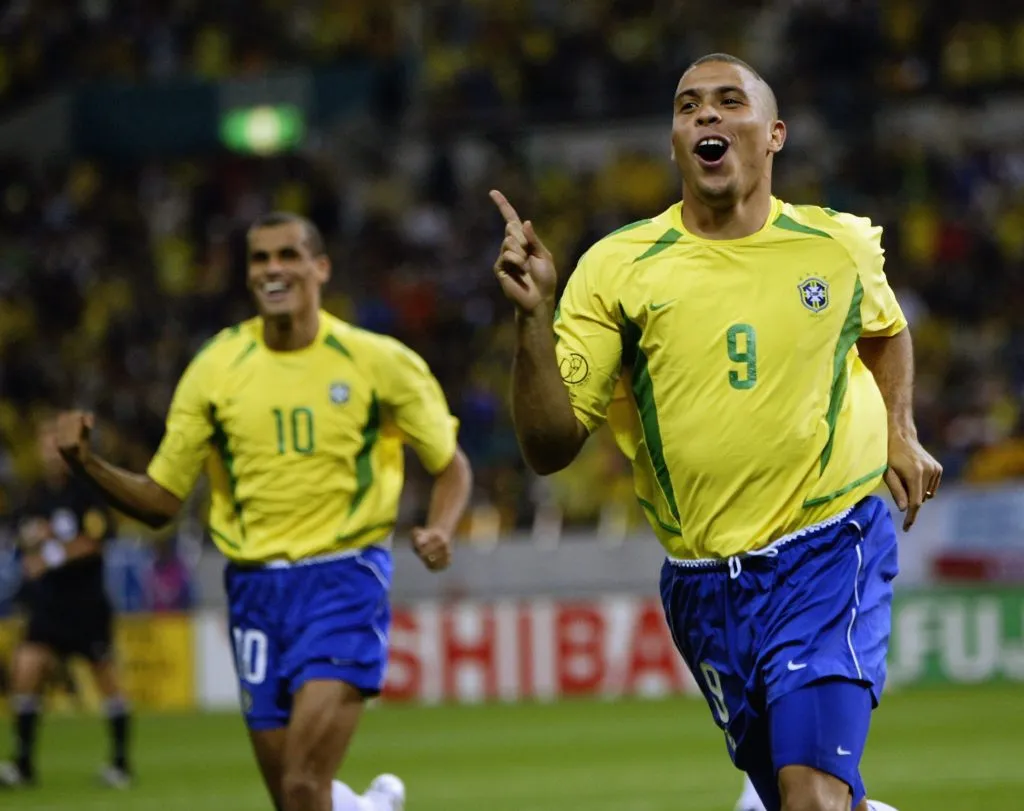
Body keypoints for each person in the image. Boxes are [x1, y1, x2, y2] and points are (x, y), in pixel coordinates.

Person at [489, 53, 941, 811]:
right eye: (687, 105)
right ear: (674, 141)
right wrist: (534, 320)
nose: (705, 114)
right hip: (705, 587)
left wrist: (899, 427)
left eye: (729, 101)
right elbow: (547, 447)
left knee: (809, 797)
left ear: (773, 135)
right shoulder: (617, 268)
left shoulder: (838, 245)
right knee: (803, 798)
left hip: (830, 547)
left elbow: (886, 329)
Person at [55, 211, 473, 811]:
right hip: (252, 591)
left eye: (288, 255)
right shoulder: (215, 368)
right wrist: (87, 465)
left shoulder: (377, 362)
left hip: (343, 580)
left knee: (303, 784)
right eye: (260, 258)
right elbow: (160, 501)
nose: (273, 268)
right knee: (292, 796)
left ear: (319, 268)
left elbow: (451, 464)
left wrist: (441, 526)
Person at [0, 417, 132, 789]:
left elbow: (97, 539)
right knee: (26, 671)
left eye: (55, 444)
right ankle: (23, 765)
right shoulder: (35, 495)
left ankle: (120, 764)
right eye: (43, 445)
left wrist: (51, 553)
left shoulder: (86, 490)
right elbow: (20, 536)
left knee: (106, 679)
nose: (49, 453)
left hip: (86, 603)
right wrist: (30, 541)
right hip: (48, 604)